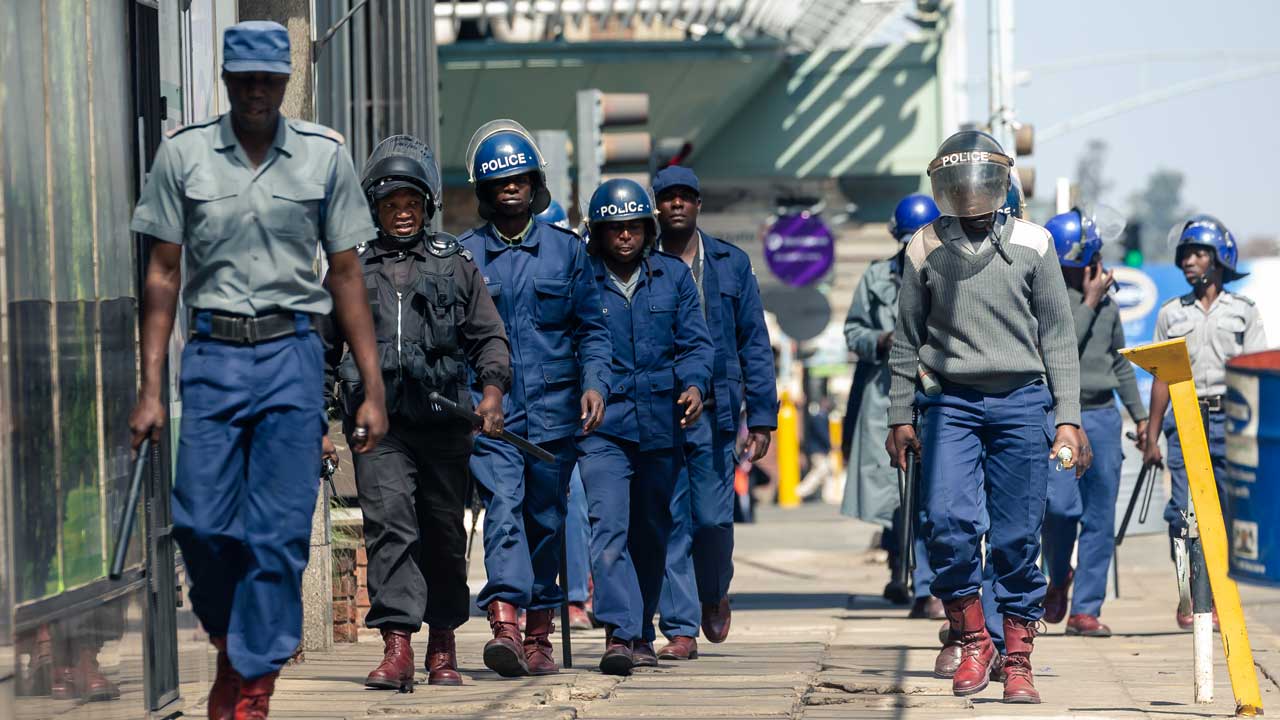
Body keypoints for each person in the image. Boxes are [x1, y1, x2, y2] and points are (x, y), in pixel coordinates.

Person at [127, 21, 388, 719]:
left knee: (277, 533)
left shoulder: (323, 156)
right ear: (225, 80)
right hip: (212, 356)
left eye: (268, 81)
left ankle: (252, 686)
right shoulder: (184, 156)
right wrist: (149, 389)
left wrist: (372, 387)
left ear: (284, 81)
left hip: (291, 357)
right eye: (243, 80)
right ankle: (231, 646)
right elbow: (162, 274)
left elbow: (347, 275)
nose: (255, 93)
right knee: (200, 523)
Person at [886, 130, 1087, 704]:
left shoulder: (1034, 243)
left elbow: (1058, 336)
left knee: (1017, 536)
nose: (970, 195)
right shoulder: (925, 246)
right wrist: (900, 415)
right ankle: (974, 638)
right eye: (958, 184)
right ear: (944, 185)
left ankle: (1017, 657)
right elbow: (906, 338)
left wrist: (1068, 418)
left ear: (1001, 183)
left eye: (979, 182)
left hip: (1022, 402)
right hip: (950, 403)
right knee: (946, 522)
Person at [320, 135, 510, 690]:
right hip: (379, 428)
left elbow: (489, 339)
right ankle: (397, 645)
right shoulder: (350, 269)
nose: (401, 213)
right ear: (374, 209)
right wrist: (316, 425)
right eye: (390, 204)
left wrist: (492, 393)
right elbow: (321, 350)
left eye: (410, 203)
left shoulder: (456, 265)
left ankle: (442, 643)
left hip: (445, 425)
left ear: (427, 206)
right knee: (391, 528)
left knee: (443, 534)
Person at [459, 120, 612, 677]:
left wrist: (595, 384)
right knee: (503, 508)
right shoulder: (464, 256)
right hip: (493, 415)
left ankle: (540, 633)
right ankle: (504, 622)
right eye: (500, 182)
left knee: (547, 523)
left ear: (533, 185)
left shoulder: (567, 253)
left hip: (555, 414)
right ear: (485, 190)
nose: (510, 189)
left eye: (519, 179)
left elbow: (593, 330)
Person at [576, 178, 715, 674]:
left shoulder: (673, 277)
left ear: (647, 229)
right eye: (615, 228)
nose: (625, 236)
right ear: (598, 232)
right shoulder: (582, 278)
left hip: (661, 426)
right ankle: (619, 632)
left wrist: (694, 385)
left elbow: (696, 344)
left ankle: (639, 630)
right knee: (608, 528)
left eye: (634, 226)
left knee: (652, 535)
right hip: (603, 429)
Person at [652, 166, 777, 660]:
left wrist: (762, 418)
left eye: (686, 196)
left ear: (699, 204)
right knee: (671, 520)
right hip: (660, 411)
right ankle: (680, 628)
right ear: (657, 206)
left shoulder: (730, 263)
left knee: (712, 520)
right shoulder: (643, 260)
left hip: (716, 414)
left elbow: (754, 342)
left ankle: (714, 590)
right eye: (668, 197)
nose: (677, 204)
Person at [1140, 214, 1266, 628]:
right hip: (1186, 418)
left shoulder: (1244, 312)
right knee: (1182, 513)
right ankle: (1189, 594)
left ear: (1220, 257)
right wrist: (1152, 436)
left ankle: (1219, 599)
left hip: (1232, 422)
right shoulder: (1171, 313)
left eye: (1197, 253)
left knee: (1228, 512)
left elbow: (1256, 375)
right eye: (1185, 255)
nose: (1188, 262)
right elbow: (1161, 377)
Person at [1039, 207, 1148, 638]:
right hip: (1063, 419)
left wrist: (1140, 416)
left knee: (1100, 518)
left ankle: (1085, 609)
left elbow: (1120, 365)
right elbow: (1060, 344)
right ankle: (1059, 575)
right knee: (1060, 508)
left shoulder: (1108, 305)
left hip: (1103, 417)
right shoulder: (1047, 300)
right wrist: (1087, 302)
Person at [841, 193, 942, 619]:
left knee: (933, 494)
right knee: (897, 493)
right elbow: (853, 330)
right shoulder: (875, 277)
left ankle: (927, 582)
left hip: (936, 392)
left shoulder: (950, 271)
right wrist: (881, 340)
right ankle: (909, 574)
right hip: (886, 395)